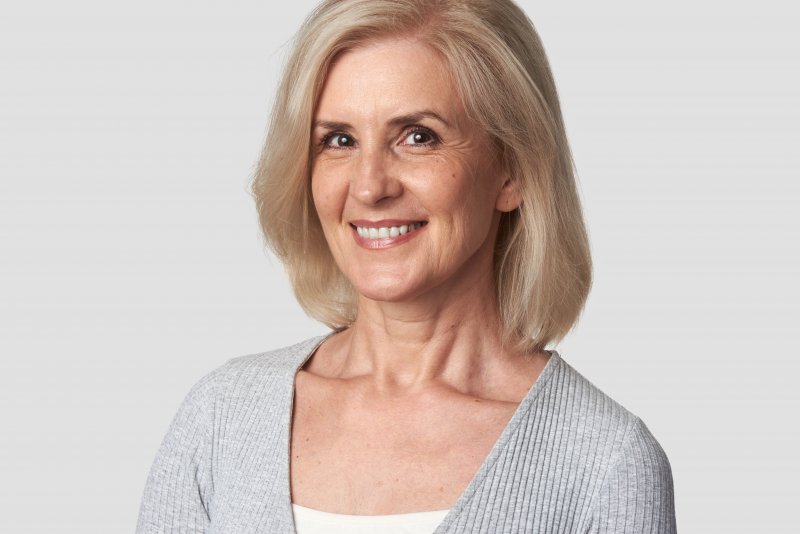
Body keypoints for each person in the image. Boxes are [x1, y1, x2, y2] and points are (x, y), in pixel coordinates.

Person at [136, 0, 676, 532]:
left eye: (418, 136)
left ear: (512, 169)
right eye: (339, 140)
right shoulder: (221, 420)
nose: (370, 186)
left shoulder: (605, 463)